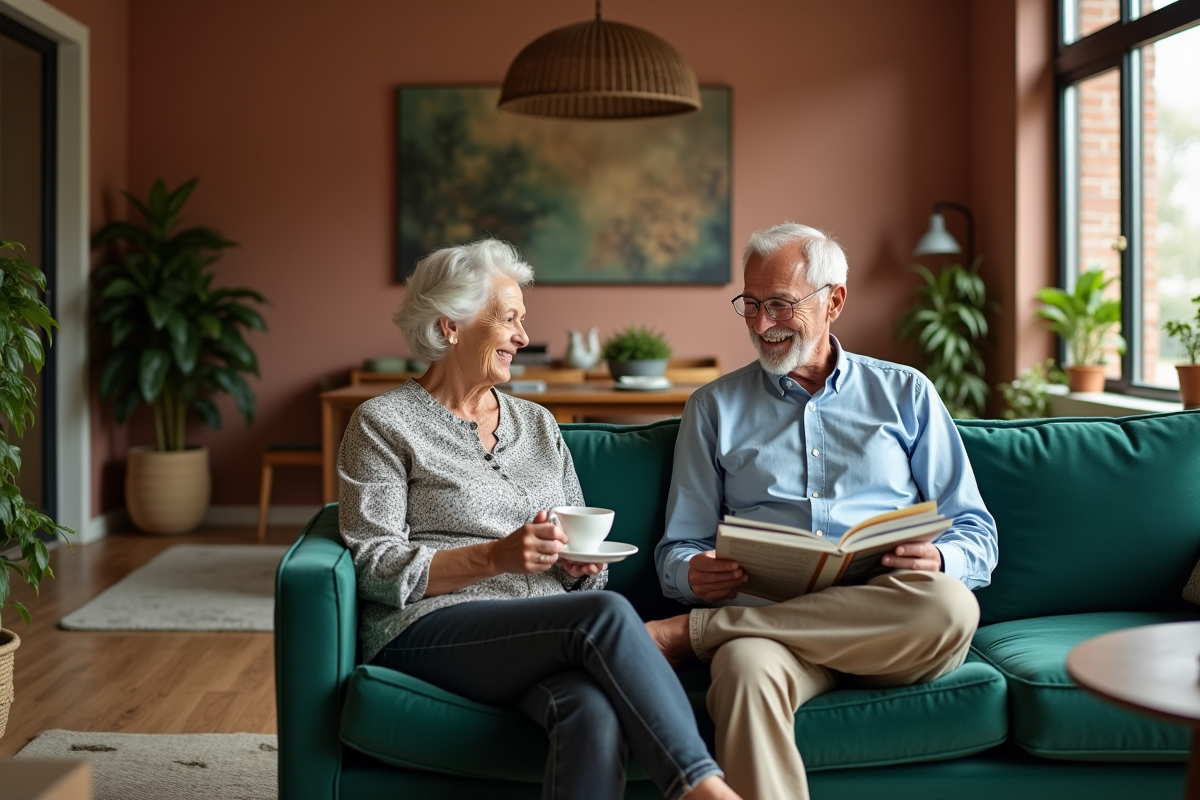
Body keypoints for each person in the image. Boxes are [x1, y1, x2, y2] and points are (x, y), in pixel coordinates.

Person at [338, 238, 741, 800]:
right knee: (603, 614)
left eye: (522, 321)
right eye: (508, 319)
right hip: (426, 627)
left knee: (590, 710)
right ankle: (703, 789)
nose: (524, 338)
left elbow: (588, 566)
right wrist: (495, 556)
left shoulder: (537, 425)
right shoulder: (383, 424)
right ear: (451, 326)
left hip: (539, 628)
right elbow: (375, 566)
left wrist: (578, 567)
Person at [646, 222, 998, 800]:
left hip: (889, 623)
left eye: (780, 305)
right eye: (751, 305)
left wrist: (939, 557)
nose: (762, 325)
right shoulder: (712, 407)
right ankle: (720, 633)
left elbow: (976, 531)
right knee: (741, 670)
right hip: (774, 630)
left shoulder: (906, 394)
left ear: (834, 300)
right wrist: (692, 571)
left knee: (951, 605)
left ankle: (695, 635)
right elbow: (677, 547)